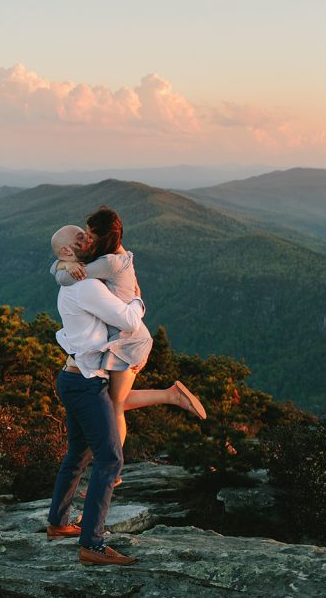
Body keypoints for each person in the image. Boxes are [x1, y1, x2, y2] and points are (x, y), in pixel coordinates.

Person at [51, 207, 206, 451]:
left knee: (114, 407)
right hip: (124, 338)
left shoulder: (109, 262)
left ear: (104, 238)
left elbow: (68, 279)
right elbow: (72, 267)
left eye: (90, 235)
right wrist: (62, 263)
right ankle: (170, 395)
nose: (87, 240)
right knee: (113, 401)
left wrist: (64, 267)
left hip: (129, 340)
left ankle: (114, 469)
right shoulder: (116, 257)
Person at [45, 224, 144, 566]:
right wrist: (137, 297)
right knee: (110, 459)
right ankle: (93, 544)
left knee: (78, 454)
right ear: (68, 253)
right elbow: (128, 320)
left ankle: (58, 524)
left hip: (72, 378)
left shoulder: (77, 279)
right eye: (81, 238)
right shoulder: (86, 285)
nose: (89, 240)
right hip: (86, 383)